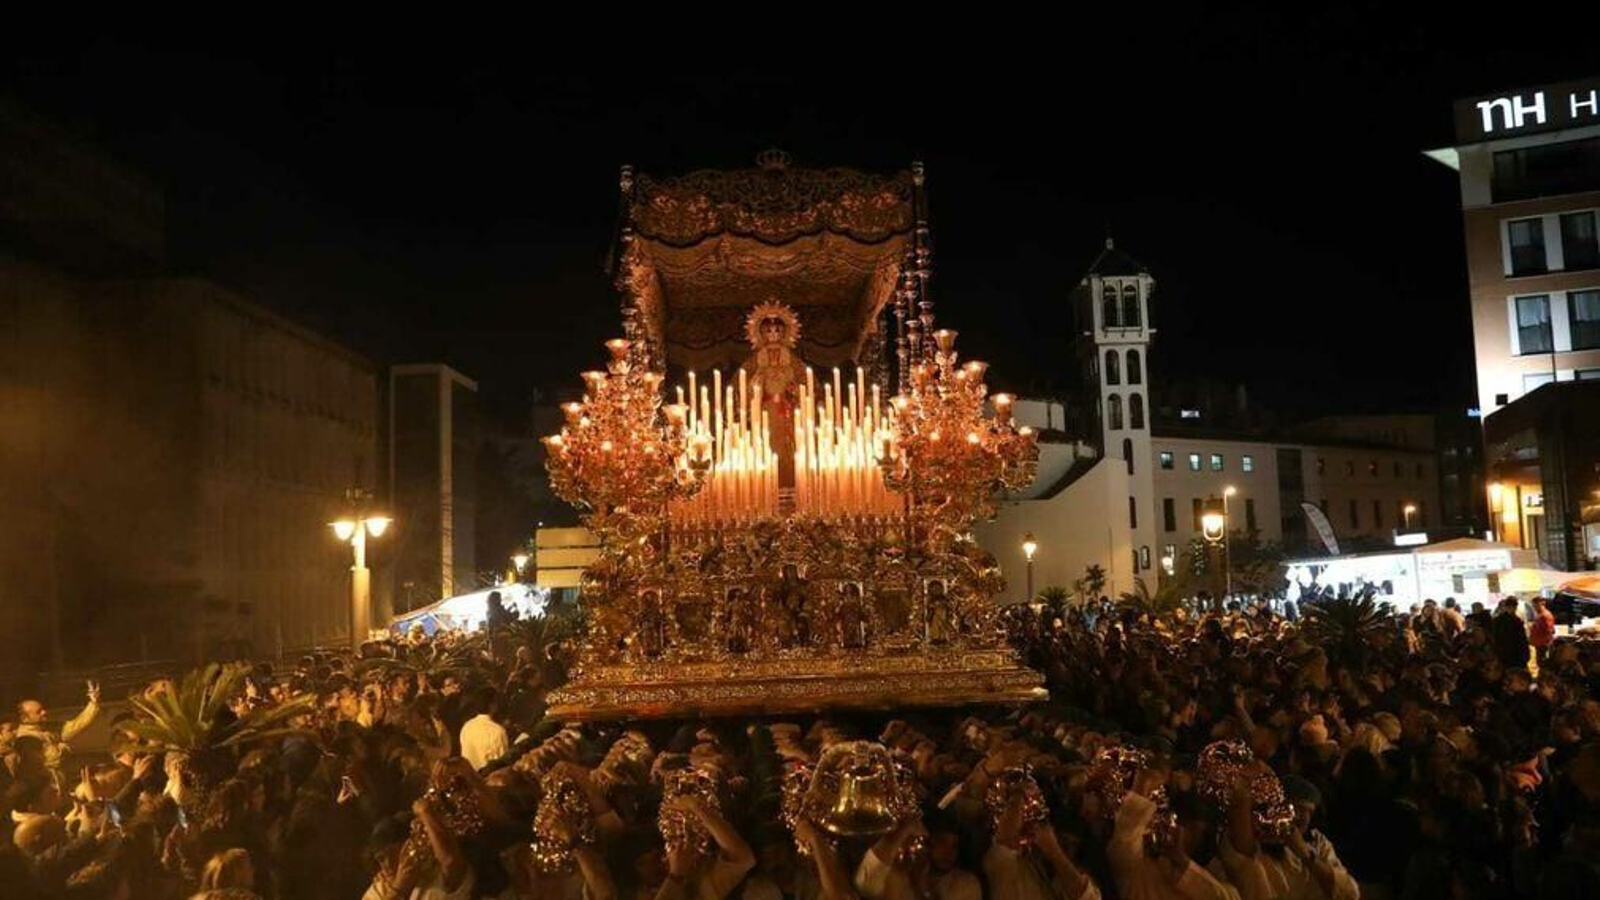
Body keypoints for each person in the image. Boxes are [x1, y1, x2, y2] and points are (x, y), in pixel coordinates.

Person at [14, 680, 100, 772]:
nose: (44, 712)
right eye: (38, 712)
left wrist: (93, 703)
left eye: (43, 709)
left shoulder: (46, 727)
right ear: (24, 718)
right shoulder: (25, 737)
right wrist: (63, 747)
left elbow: (76, 725)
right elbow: (54, 759)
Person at [459, 687, 510, 771]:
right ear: (492, 705)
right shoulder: (497, 731)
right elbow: (503, 763)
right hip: (489, 776)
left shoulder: (466, 727)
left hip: (469, 775)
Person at [1529, 595, 1557, 669]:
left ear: (1541, 604)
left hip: (1542, 643)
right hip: (1540, 643)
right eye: (1533, 606)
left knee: (1542, 663)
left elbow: (1549, 630)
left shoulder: (1545, 615)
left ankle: (1542, 674)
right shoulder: (1541, 615)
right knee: (1540, 662)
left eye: (1535, 606)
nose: (1534, 608)